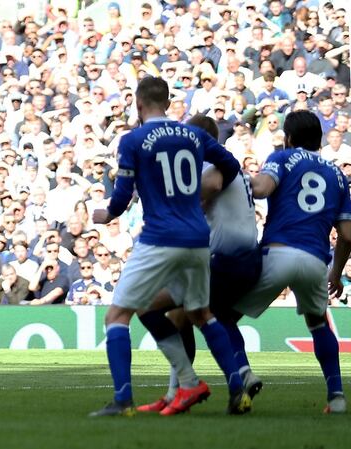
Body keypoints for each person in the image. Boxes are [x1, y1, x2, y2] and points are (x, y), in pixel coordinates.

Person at [89, 77, 251, 417]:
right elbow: (231, 164)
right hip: (197, 239)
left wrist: (105, 215)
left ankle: (122, 401)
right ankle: (231, 388)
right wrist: (202, 191)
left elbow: (120, 198)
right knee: (201, 314)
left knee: (117, 316)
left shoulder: (133, 139)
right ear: (166, 102)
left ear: (138, 103)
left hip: (160, 237)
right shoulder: (193, 135)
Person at [135, 114, 263, 414]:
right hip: (244, 259)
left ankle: (210, 386)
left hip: (226, 261)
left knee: (150, 305)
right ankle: (182, 392)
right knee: (184, 317)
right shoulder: (230, 169)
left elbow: (213, 185)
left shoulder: (208, 165)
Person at [229, 111, 351, 414]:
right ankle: (336, 397)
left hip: (278, 252)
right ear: (320, 140)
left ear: (289, 138)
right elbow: (348, 234)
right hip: (315, 261)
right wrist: (335, 274)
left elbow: (261, 189)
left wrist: (231, 176)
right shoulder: (338, 175)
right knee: (318, 323)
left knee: (222, 318)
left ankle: (245, 373)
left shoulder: (282, 158)